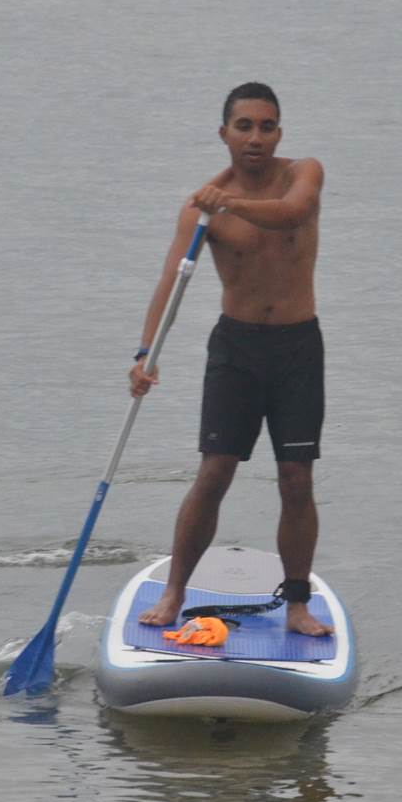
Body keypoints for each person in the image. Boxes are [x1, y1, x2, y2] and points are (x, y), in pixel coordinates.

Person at [129, 82, 331, 636]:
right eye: (244, 127)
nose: (256, 137)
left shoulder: (303, 174)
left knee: (296, 478)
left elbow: (292, 214)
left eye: (267, 126)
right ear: (224, 134)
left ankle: (297, 604)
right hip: (237, 349)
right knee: (215, 472)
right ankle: (174, 591)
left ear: (279, 133)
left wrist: (233, 204)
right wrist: (146, 354)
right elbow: (170, 284)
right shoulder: (202, 209)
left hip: (297, 348)